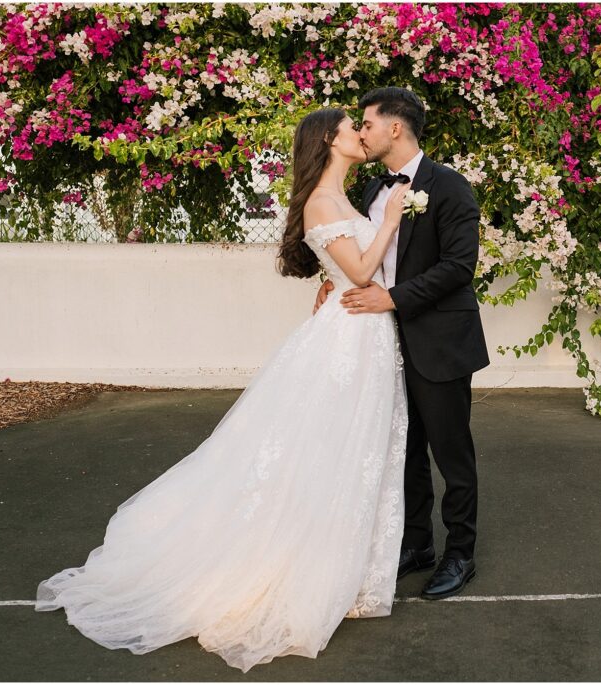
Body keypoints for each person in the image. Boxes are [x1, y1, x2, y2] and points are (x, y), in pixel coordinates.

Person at [35, 108, 413, 672]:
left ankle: (344, 566)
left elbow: (350, 274)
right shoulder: (321, 202)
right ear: (327, 142)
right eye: (350, 128)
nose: (362, 134)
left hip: (365, 335)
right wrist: (392, 222)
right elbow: (359, 273)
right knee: (323, 451)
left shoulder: (343, 199)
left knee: (351, 454)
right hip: (346, 341)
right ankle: (287, 567)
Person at [314, 87, 490, 600]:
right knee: (402, 450)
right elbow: (355, 252)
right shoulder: (371, 189)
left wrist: (391, 299)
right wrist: (334, 282)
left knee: (450, 450)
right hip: (381, 345)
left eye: (366, 123)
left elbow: (459, 267)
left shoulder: (450, 187)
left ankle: (461, 553)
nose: (361, 132)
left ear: (395, 127)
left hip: (439, 340)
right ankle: (417, 544)